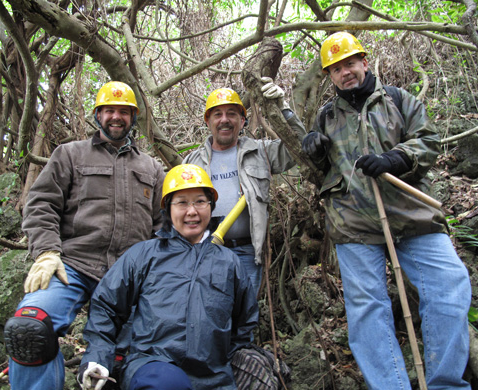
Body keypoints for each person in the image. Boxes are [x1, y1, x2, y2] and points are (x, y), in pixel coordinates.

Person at [300, 31, 471, 389]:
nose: (345, 72)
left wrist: (396, 158)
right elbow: (319, 172)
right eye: (336, 69)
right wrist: (313, 150)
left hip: (414, 217)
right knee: (366, 313)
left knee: (449, 289)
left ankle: (445, 384)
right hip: (354, 226)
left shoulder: (398, 99)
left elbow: (429, 140)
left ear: (364, 61)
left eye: (350, 63)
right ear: (329, 76)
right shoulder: (326, 117)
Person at [3, 81, 165, 390]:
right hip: (73, 266)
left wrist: (159, 270)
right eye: (109, 110)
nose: (116, 117)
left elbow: (162, 226)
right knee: (28, 327)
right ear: (98, 115)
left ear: (133, 117)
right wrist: (47, 251)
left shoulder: (152, 168)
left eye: (124, 111)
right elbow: (41, 204)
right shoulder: (70, 155)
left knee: (123, 360)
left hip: (129, 276)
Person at [78, 164, 259, 390]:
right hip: (153, 368)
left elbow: (244, 324)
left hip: (214, 377)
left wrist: (240, 358)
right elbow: (106, 306)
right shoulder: (144, 255)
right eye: (182, 202)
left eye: (200, 202)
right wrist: (97, 357)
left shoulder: (230, 263)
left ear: (211, 206)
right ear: (168, 210)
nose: (192, 211)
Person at [183, 87, 306, 293]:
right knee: (209, 314)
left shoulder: (261, 152)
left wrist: (282, 108)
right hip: (205, 253)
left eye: (232, 113)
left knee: (245, 318)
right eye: (217, 114)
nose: (225, 120)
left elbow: (300, 147)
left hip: (248, 253)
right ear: (207, 121)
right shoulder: (191, 163)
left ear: (242, 120)